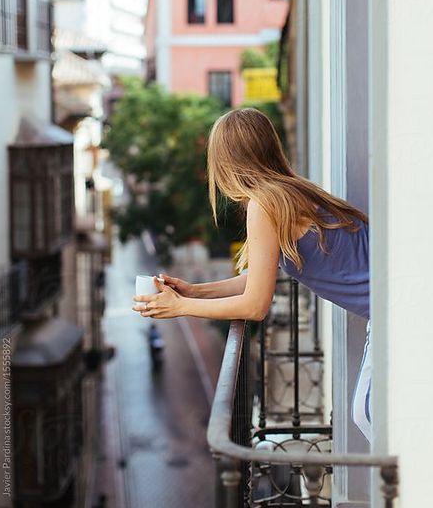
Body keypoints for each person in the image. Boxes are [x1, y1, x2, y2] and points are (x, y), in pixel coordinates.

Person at [132, 107, 372, 442]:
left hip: (391, 308)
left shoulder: (264, 205)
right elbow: (257, 277)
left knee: (368, 413)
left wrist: (180, 309)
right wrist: (193, 291)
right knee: (368, 413)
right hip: (390, 302)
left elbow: (255, 305)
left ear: (226, 162)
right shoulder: (291, 192)